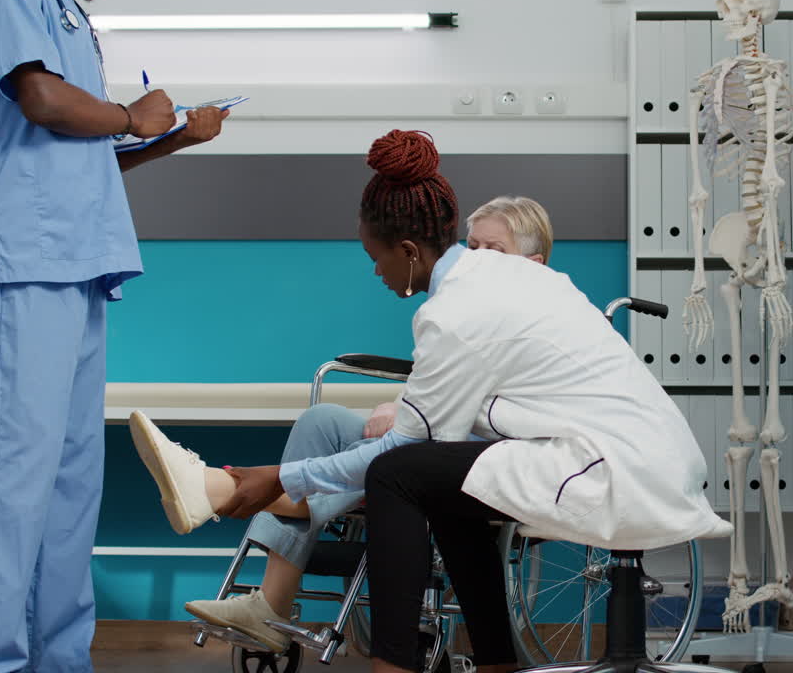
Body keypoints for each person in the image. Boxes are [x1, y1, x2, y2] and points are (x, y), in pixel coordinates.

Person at [128, 130, 730, 673]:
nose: (376, 273)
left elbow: (400, 447)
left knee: (399, 474)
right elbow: (437, 432)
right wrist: (287, 478)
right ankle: (495, 664)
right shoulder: (512, 281)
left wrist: (278, 477)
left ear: (409, 249)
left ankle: (388, 661)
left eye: (375, 257)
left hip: (612, 469)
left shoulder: (456, 311)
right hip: (641, 456)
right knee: (445, 483)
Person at [0, 0, 228, 670]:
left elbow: (82, 153)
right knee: (18, 479)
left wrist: (165, 139)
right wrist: (131, 116)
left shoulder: (68, 10)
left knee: (73, 486)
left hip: (77, 265)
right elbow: (41, 100)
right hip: (25, 261)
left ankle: (59, 658)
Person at [134, 195, 558, 651]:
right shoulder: (466, 309)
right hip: (431, 436)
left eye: (493, 251)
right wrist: (400, 403)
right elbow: (442, 383)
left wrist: (409, 415)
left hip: (478, 459)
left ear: (533, 265)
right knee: (323, 421)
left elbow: (478, 410)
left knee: (399, 458)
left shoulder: (533, 321)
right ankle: (270, 605)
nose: (476, 261)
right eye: (471, 248)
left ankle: (215, 489)